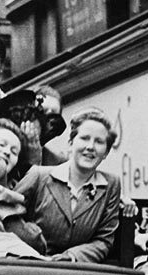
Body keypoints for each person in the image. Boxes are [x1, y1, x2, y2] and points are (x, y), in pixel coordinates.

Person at [13, 108, 121, 263]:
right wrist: (31, 241)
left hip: (75, 273)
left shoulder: (111, 185)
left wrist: (71, 256)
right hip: (30, 267)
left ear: (106, 152)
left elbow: (103, 240)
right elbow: (8, 213)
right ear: (71, 143)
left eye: (99, 142)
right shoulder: (39, 176)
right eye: (84, 138)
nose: (90, 147)